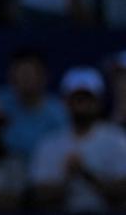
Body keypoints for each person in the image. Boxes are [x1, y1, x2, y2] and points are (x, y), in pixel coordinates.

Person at [30, 66, 126, 212]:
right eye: (77, 99)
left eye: (87, 98)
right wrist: (68, 177)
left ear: (99, 101)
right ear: (65, 102)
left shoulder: (117, 139)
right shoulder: (49, 144)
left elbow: (121, 191)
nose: (82, 104)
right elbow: (39, 195)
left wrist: (86, 174)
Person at [0, 48, 69, 161]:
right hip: (6, 168)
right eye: (20, 73)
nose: (24, 79)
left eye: (29, 74)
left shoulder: (59, 111)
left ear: (43, 76)